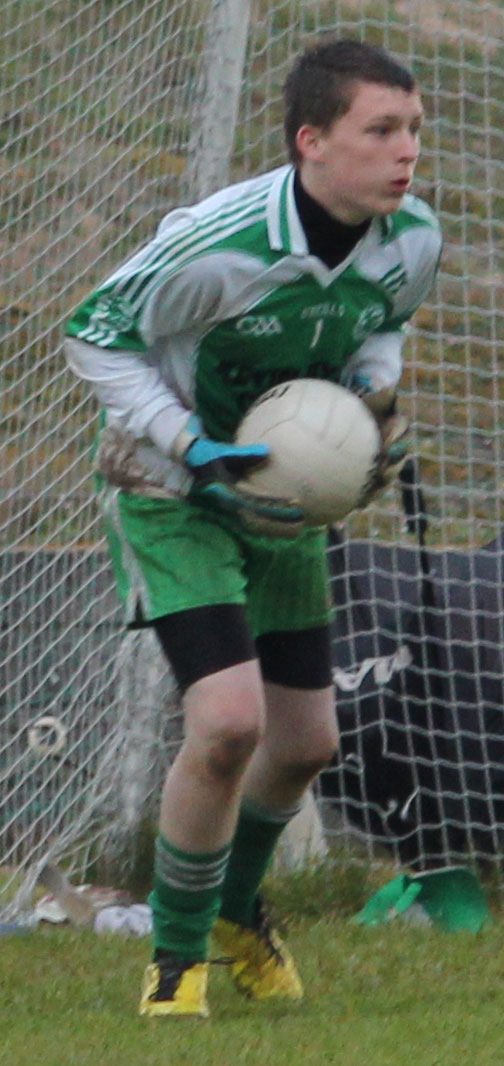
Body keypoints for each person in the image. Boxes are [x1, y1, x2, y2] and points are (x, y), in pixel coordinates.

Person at [64, 37, 442, 1018]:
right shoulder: (218, 241)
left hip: (285, 503)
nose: (407, 151)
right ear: (311, 141)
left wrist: (365, 404)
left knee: (307, 740)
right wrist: (189, 443)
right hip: (170, 491)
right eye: (382, 130)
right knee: (229, 721)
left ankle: (236, 912)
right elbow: (93, 333)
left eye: (414, 129)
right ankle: (175, 964)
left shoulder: (412, 237)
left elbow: (382, 324)